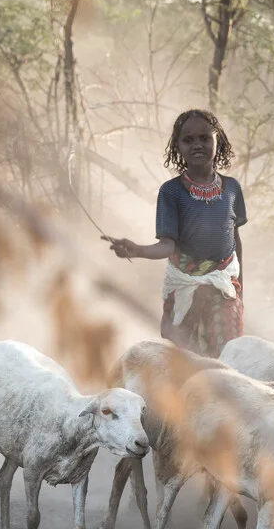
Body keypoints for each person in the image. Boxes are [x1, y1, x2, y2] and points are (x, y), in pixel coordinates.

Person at [105, 109, 246, 357]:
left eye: (205, 138)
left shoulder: (232, 188)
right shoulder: (171, 192)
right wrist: (137, 250)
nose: (197, 145)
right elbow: (168, 246)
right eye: (188, 140)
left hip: (224, 290)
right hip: (185, 288)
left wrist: (240, 291)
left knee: (229, 358)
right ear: (177, 147)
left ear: (218, 141)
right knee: (183, 359)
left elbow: (235, 242)